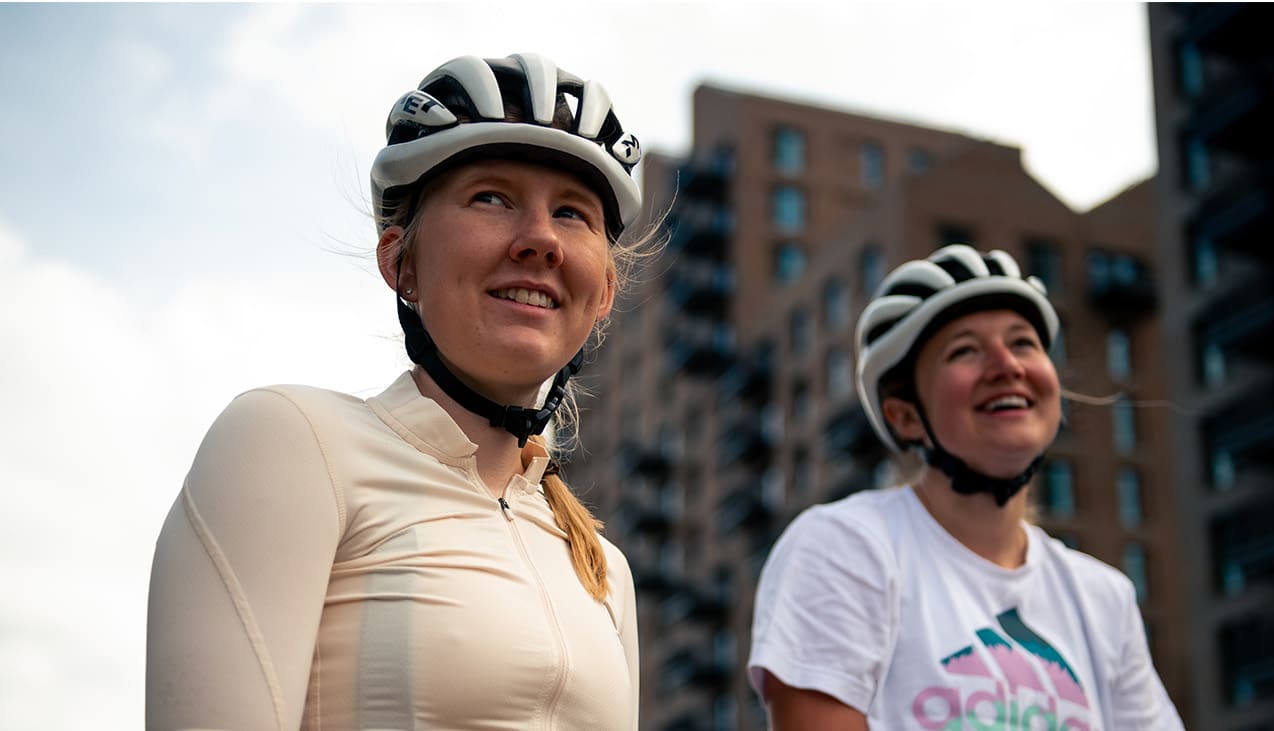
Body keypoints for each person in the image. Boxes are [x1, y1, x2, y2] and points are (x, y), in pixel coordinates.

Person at [146, 53, 653, 730]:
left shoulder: (605, 571)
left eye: (570, 212)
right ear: (400, 260)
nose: (540, 242)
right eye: (492, 197)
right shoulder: (291, 442)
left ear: (606, 292)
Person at [748, 245, 1183, 730]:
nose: (1007, 366)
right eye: (965, 351)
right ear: (906, 417)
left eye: (1023, 343)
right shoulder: (844, 548)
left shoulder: (1105, 600)